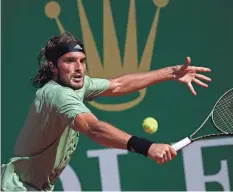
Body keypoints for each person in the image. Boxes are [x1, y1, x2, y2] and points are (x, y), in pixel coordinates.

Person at [1, 32, 211, 191]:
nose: (79, 68)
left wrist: (171, 72)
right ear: (53, 66)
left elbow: (117, 85)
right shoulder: (57, 95)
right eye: (70, 61)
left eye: (82, 61)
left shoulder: (76, 85)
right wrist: (147, 147)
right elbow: (94, 129)